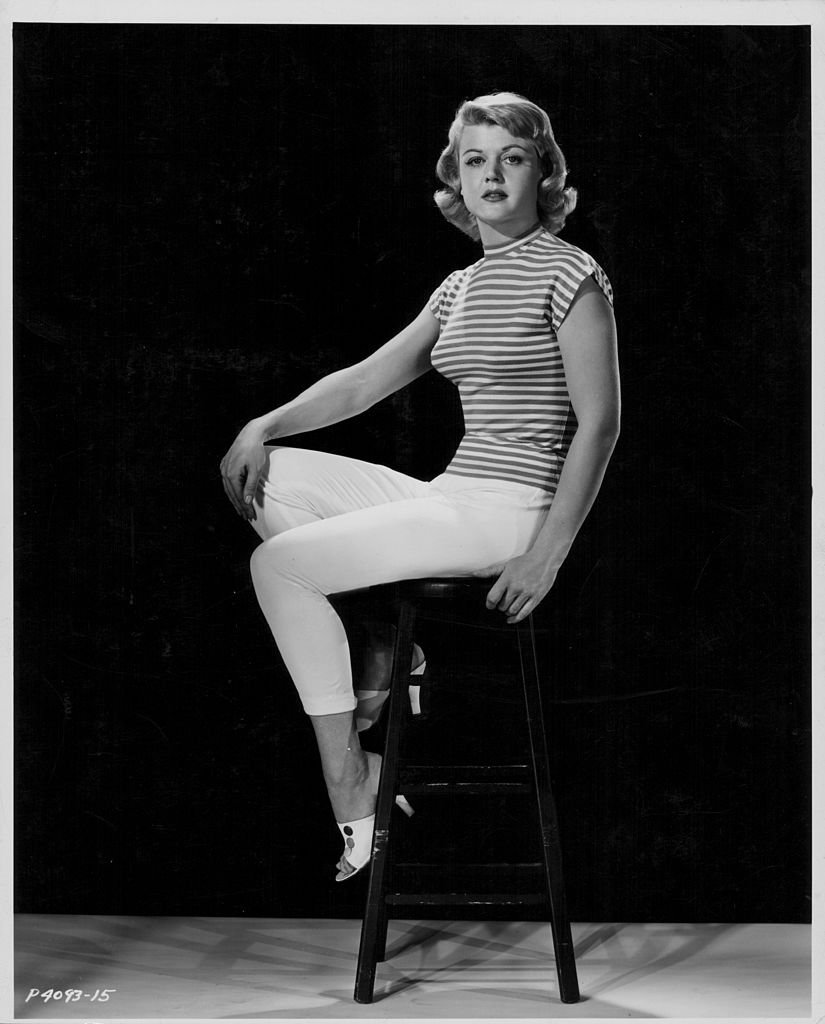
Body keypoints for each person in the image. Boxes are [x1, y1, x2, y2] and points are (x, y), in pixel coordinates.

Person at [220, 92, 620, 881]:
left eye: (512, 157)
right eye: (475, 160)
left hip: (510, 511)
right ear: (456, 181)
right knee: (266, 477)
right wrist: (262, 423)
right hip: (454, 493)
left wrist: (547, 555)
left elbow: (600, 423)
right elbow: (367, 381)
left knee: (278, 567)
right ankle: (380, 642)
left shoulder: (571, 272)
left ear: (543, 172)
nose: (492, 174)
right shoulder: (459, 287)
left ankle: (350, 775)